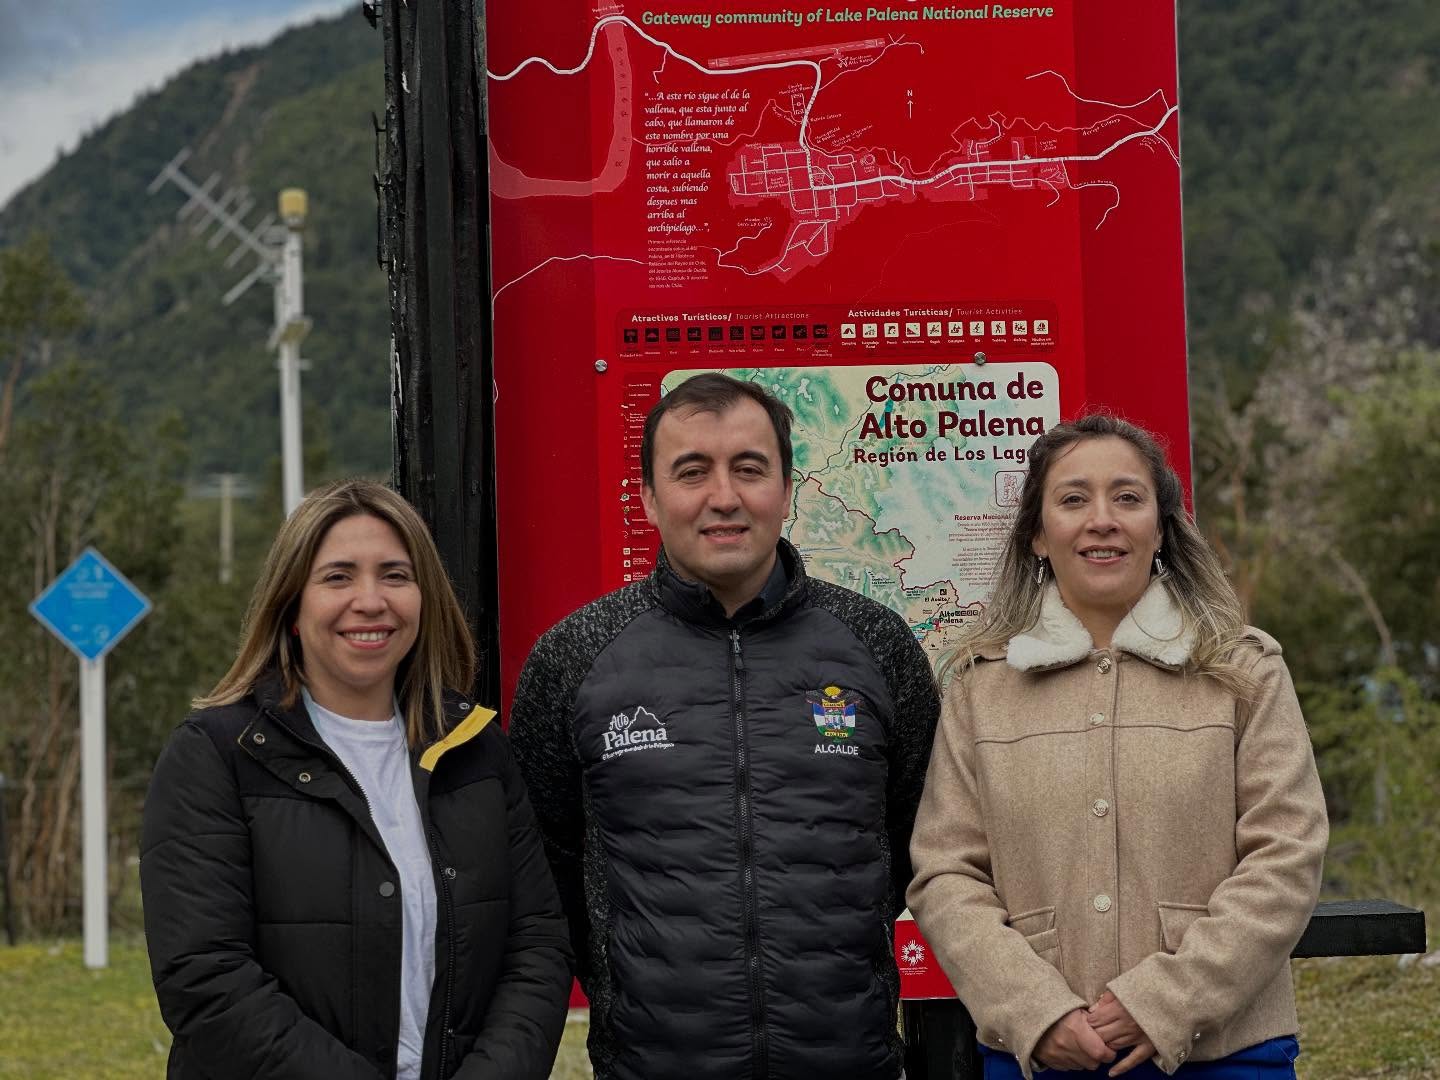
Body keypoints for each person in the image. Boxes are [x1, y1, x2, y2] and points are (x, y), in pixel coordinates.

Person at [510, 372, 941, 1080]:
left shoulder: (877, 644)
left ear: (787, 488)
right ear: (649, 498)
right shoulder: (575, 656)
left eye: (749, 468)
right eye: (692, 472)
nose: (724, 497)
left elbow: (913, 841)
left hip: (847, 1060)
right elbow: (547, 868)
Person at [908, 415, 1328, 1080]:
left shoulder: (1244, 672)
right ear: (1038, 534)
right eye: (1073, 499)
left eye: (1128, 498)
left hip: (1226, 1052)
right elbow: (945, 872)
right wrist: (1036, 1011)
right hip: (1041, 1057)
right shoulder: (981, 689)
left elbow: (1288, 852)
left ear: (1160, 528)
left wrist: (1165, 1002)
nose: (1101, 520)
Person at [140, 479, 572, 1080]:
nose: (370, 601)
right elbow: (205, 976)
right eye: (338, 577)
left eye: (395, 575)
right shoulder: (216, 754)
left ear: (423, 599)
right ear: (291, 607)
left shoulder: (478, 750)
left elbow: (537, 947)